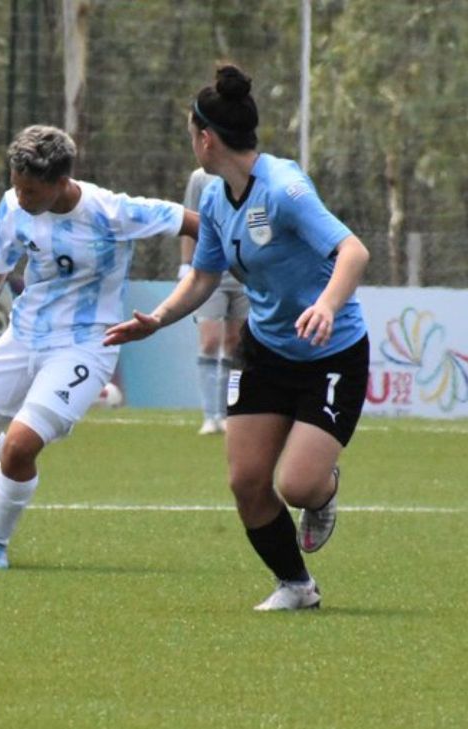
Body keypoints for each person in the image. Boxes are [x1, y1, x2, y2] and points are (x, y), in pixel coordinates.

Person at [104, 65, 370, 611]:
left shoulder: (285, 188)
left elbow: (353, 251)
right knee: (247, 482)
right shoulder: (215, 196)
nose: (190, 146)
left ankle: (323, 490)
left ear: (206, 138)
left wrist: (325, 304)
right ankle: (296, 586)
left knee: (296, 486)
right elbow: (203, 277)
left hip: (332, 352)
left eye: (189, 136)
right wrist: (157, 319)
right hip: (265, 350)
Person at [0, 124, 199, 569]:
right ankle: (6, 482)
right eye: (16, 186)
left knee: (18, 446)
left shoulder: (111, 212)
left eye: (31, 190)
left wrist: (214, 271)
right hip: (25, 334)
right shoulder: (14, 206)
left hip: (86, 345)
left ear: (60, 182)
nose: (22, 198)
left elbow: (197, 225)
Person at [180, 167, 248, 435]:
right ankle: (211, 415)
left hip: (243, 273)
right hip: (210, 271)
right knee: (209, 341)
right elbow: (188, 222)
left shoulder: (251, 173)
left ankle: (229, 412)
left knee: (235, 344)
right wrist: (186, 264)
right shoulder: (200, 177)